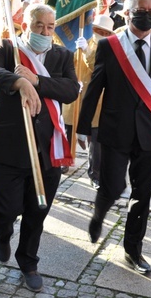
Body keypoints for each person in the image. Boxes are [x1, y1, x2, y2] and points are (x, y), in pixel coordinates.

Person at [78, 0, 151, 276]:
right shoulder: (110, 46)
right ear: (127, 12)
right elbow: (94, 89)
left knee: (142, 195)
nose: (149, 16)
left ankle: (133, 249)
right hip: (115, 131)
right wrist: (82, 127)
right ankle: (99, 214)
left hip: (148, 134)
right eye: (143, 10)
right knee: (113, 186)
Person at [0, 3, 78, 293]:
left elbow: (71, 90)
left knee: (38, 210)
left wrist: (36, 81)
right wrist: (18, 81)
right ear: (26, 24)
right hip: (11, 144)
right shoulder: (8, 49)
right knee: (6, 205)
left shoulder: (62, 55)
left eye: (50, 27)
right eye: (39, 26)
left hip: (48, 147)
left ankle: (29, 262)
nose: (45, 32)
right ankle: (3, 231)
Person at [62, 14, 114, 188]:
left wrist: (87, 51)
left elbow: (98, 66)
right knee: (69, 130)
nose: (100, 33)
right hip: (75, 93)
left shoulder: (109, 47)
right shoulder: (82, 39)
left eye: (104, 32)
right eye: (98, 30)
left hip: (95, 98)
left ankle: (95, 173)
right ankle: (65, 161)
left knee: (95, 138)